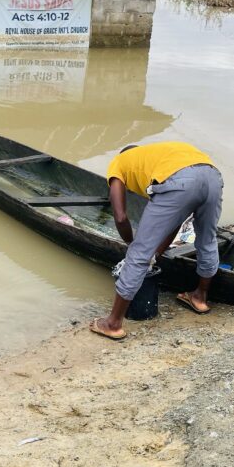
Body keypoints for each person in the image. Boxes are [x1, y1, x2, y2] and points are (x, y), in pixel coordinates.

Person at [90, 142, 223, 340]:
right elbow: (175, 221)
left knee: (138, 253)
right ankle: (199, 297)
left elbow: (120, 217)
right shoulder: (159, 155)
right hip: (213, 177)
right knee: (207, 240)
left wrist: (132, 244)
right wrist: (156, 254)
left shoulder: (118, 162)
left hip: (179, 180)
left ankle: (113, 323)